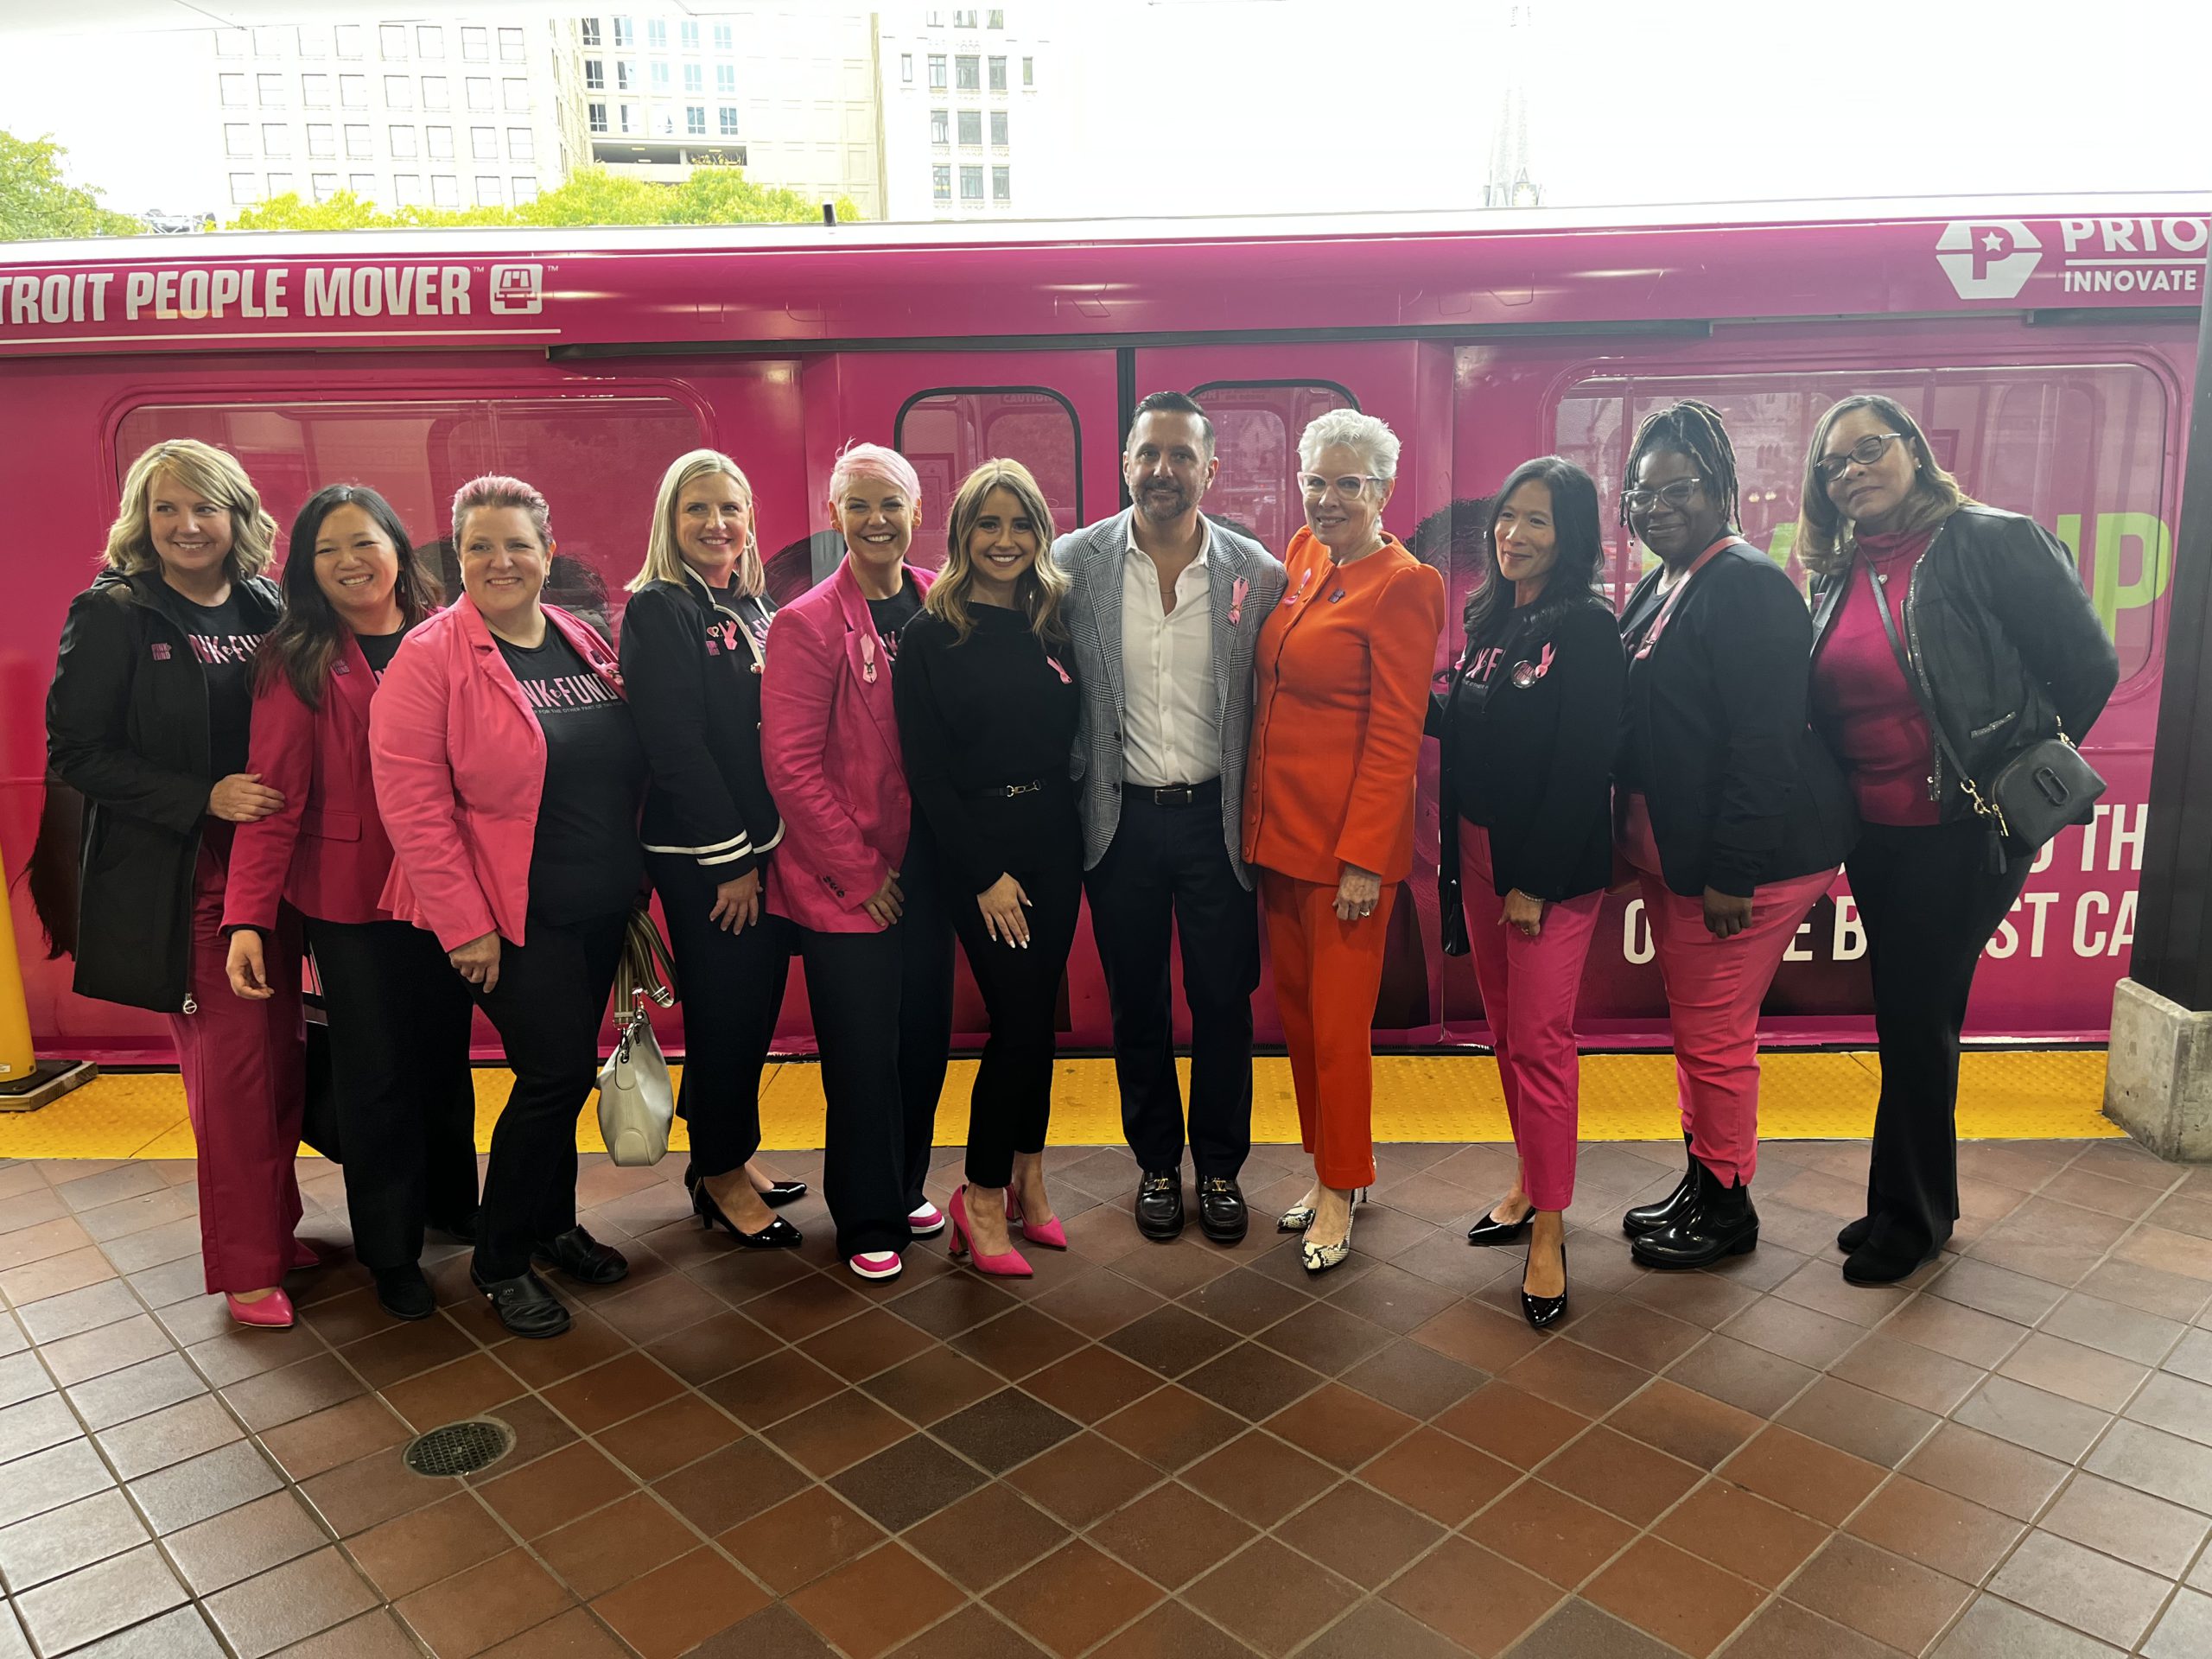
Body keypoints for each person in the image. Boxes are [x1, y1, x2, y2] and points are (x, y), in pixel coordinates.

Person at [1801, 396, 2117, 1283]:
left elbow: (2088, 664)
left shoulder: (1989, 540)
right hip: (1878, 835)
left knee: (1915, 1014)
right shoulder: (1838, 571)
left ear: (1913, 451)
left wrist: (2020, 769)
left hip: (1964, 829)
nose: (1851, 472)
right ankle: (1903, 1204)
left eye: (1868, 450)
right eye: (1832, 466)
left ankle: (1910, 1218)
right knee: (1906, 1015)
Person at [371, 474, 646, 1338]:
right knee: (554, 1074)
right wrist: (466, 924)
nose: (500, 561)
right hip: (510, 917)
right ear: (457, 554)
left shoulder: (573, 636)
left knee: (563, 1073)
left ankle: (553, 1222)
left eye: (517, 544)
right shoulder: (432, 654)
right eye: (480, 546)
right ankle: (499, 1258)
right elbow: (411, 801)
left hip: (597, 904)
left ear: (547, 551)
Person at [47, 439, 302, 1328]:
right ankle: (247, 1266)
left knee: (278, 1062)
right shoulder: (117, 612)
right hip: (183, 881)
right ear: (141, 520)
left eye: (205, 507)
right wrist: (204, 798)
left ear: (238, 516)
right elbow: (77, 754)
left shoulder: (267, 603)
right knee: (231, 1074)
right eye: (165, 508)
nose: (187, 526)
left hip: (270, 877)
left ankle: (273, 1228)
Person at [221, 485, 478, 1323]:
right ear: (306, 570)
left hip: (447, 888)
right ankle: (391, 1250)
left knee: (446, 1057)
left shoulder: (450, 635)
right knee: (378, 1076)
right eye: (327, 551)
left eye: (363, 542)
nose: (349, 562)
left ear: (399, 547)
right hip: (350, 901)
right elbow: (273, 799)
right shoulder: (296, 659)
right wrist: (249, 916)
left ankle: (453, 1203)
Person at [1614, 402, 1856, 1269]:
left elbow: (1765, 744)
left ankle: (1726, 1210)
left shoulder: (1744, 584)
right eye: (1643, 492)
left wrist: (1732, 873)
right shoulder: (1664, 582)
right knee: (1698, 1028)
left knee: (1714, 1032)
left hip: (1743, 864)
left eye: (1679, 487)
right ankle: (1702, 1180)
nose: (1657, 505)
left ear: (1720, 489)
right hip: (1685, 859)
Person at [1052, 391, 1286, 1245]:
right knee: (1136, 1003)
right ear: (1124, 464)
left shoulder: (1255, 574)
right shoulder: (1071, 565)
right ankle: (1156, 1162)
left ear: (1210, 470)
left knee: (1224, 1000)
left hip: (1215, 822)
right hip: (1120, 824)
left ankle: (1220, 1168)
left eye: (1182, 456)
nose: (1163, 470)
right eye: (1148, 454)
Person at [1245, 410, 1446, 1275]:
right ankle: (1327, 1165)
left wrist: (1367, 855)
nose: (1327, 500)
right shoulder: (1302, 556)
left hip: (1343, 855)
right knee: (1297, 1021)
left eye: (1347, 485)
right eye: (1316, 482)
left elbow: (1397, 733)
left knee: (1338, 1029)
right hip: (1277, 837)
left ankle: (1342, 1185)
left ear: (1382, 491)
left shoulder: (1403, 583)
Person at [760, 443, 953, 1282]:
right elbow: (791, 767)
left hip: (929, 871)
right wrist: (862, 873)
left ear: (917, 514)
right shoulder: (807, 624)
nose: (877, 520)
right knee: (861, 1055)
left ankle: (905, 1182)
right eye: (859, 505)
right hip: (848, 881)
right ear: (836, 518)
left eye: (892, 505)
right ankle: (864, 1214)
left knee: (921, 1043)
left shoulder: (938, 605)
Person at [1440, 458, 1624, 1328]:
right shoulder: (1490, 615)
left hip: (1541, 874)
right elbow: (1474, 726)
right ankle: (1527, 1182)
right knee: (1507, 1039)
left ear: (1572, 535)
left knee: (1542, 1043)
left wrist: (1535, 884)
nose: (1514, 535)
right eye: (1507, 518)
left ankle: (1550, 1230)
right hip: (1479, 857)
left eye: (1537, 522)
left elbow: (1584, 767)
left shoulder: (1586, 628)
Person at [894, 460, 1082, 1278]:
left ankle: (1029, 1185)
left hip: (1055, 838)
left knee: (1038, 1019)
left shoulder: (1054, 621)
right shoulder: (931, 634)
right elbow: (926, 772)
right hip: (978, 853)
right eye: (987, 524)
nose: (1004, 541)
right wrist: (982, 874)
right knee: (1017, 1025)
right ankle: (978, 1195)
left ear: (1039, 534)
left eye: (1020, 525)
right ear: (962, 533)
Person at [620, 449, 809, 1251]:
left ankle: (726, 1153)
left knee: (751, 1010)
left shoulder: (747, 605)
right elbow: (677, 747)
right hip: (709, 858)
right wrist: (732, 860)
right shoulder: (660, 609)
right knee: (730, 1013)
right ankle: (721, 1176)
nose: (716, 524)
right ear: (670, 519)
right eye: (697, 509)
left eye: (730, 509)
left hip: (755, 847)